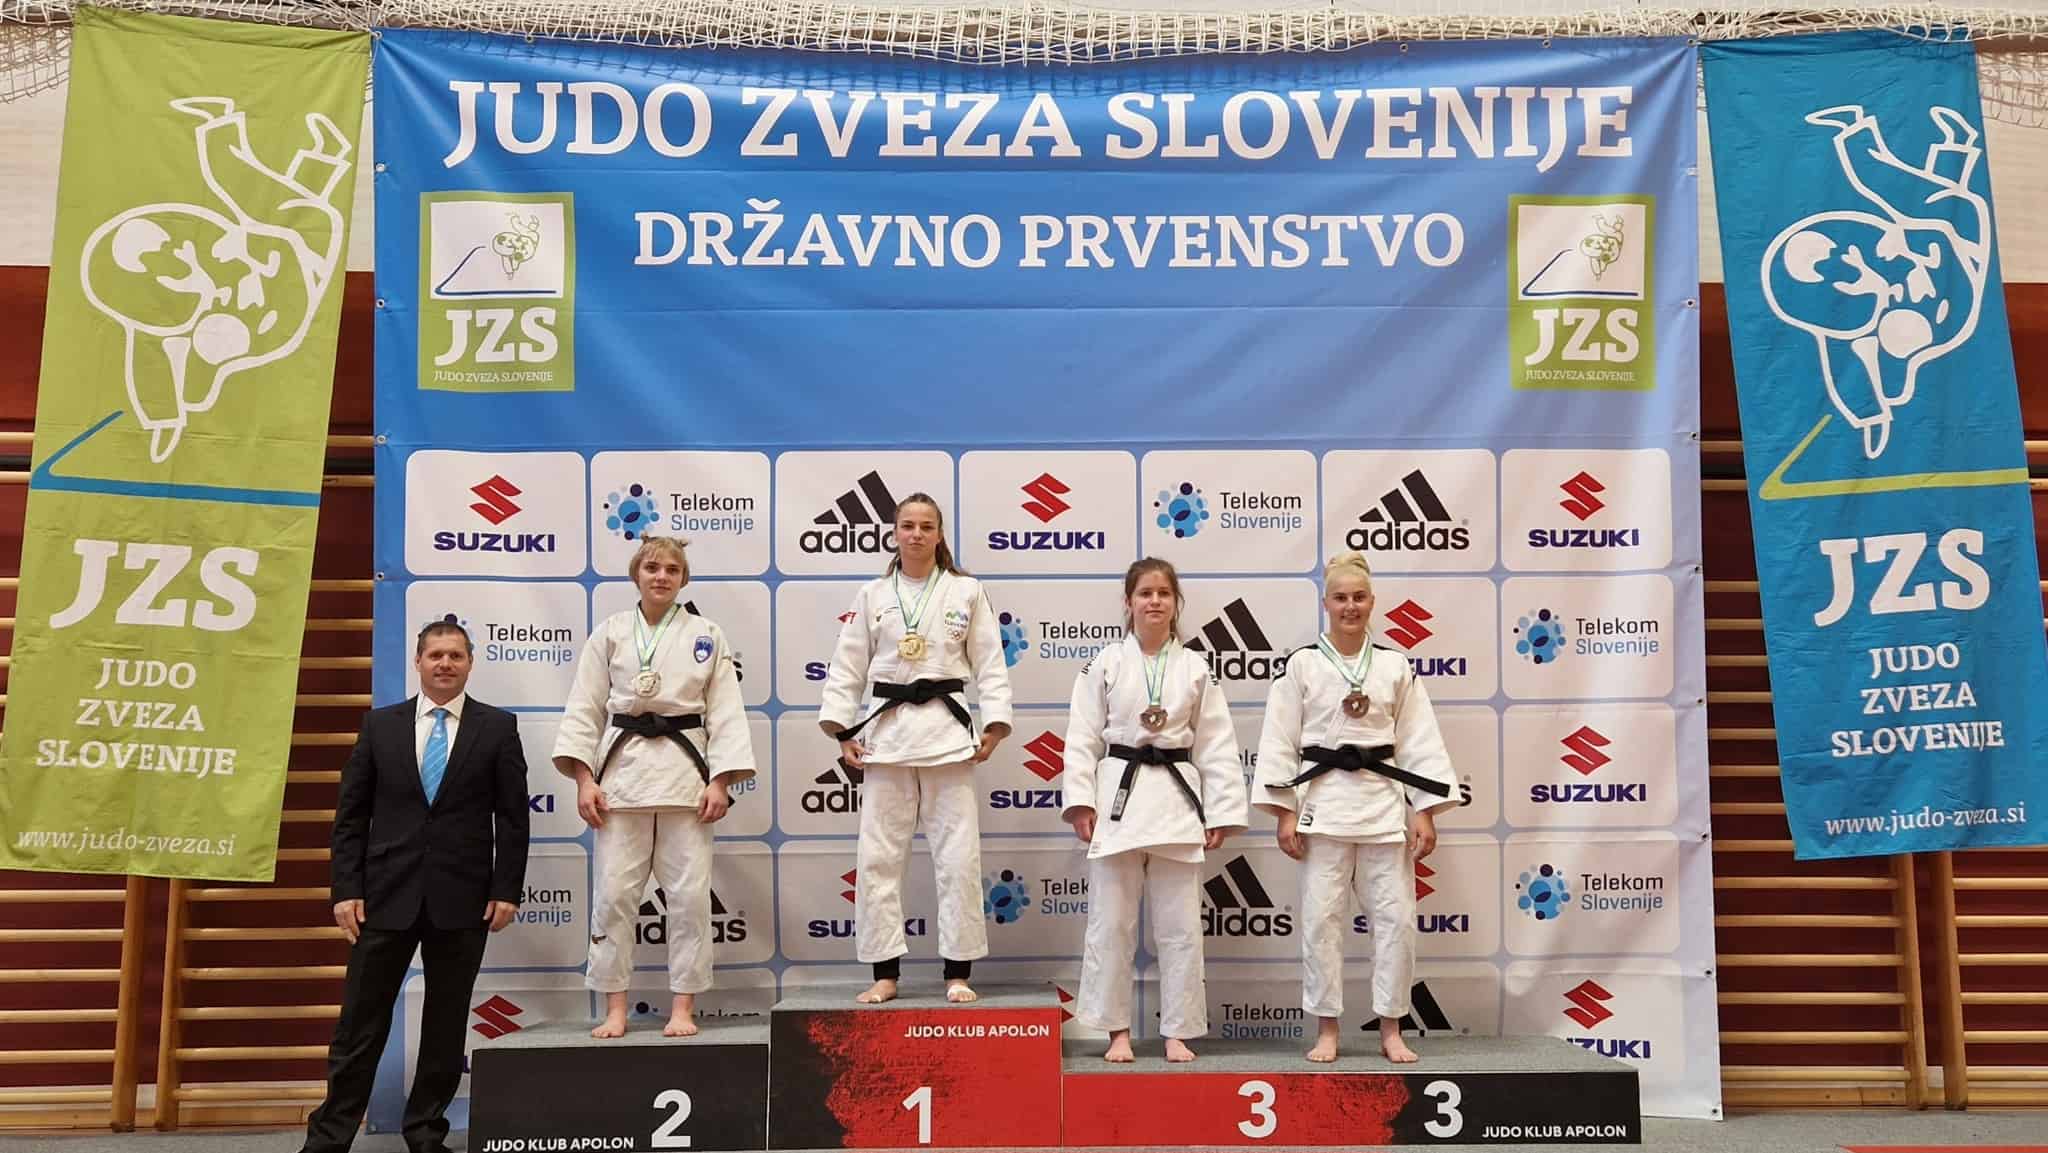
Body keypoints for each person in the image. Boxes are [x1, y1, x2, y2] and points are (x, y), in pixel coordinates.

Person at [300, 621, 529, 1153]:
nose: (445, 664)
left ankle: (425, 1133)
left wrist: (507, 889)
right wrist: (345, 889)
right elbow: (350, 817)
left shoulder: (497, 728)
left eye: (455, 655)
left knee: (446, 1025)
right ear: (418, 662)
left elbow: (513, 819)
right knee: (359, 1025)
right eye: (435, 655)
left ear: (470, 663)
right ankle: (328, 1139)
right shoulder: (380, 726)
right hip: (383, 898)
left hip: (464, 900)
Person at [1256, 551, 1459, 1064]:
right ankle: (1327, 1028)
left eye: (1359, 597)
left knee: (1396, 921)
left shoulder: (1394, 666)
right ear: (1325, 603)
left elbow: (1418, 741)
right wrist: (1284, 810)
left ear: (1372, 602)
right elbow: (1280, 740)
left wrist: (1424, 809)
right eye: (1341, 598)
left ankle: (1391, 1026)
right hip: (1322, 805)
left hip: (1383, 806)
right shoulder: (1302, 665)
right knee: (1321, 922)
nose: (1350, 606)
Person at [555, 535, 755, 1039]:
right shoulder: (610, 633)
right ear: (636, 574)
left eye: (671, 569)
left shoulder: (706, 634)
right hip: (621, 780)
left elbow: (726, 713)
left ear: (683, 578)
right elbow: (584, 708)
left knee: (689, 900)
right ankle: (615, 1008)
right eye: (651, 567)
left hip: (686, 780)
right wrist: (584, 779)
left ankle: (683, 1007)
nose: (661, 576)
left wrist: (720, 780)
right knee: (613, 898)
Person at [820, 493, 1012, 1004]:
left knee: (958, 859)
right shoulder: (874, 594)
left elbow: (990, 662)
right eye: (908, 525)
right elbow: (847, 665)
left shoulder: (966, 591)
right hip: (887, 736)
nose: (917, 534)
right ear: (895, 532)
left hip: (948, 737)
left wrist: (994, 725)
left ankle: (958, 972)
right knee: (878, 859)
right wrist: (841, 730)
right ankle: (884, 972)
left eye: (927, 526)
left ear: (939, 534)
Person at [1061, 558, 1246, 1063]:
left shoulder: (1195, 667)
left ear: (1175, 603)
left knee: (1181, 927)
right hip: (1118, 799)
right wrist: (1080, 802)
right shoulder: (1104, 663)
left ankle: (1177, 1030)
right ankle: (1116, 1030)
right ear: (1129, 602)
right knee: (1110, 924)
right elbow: (1081, 738)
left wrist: (1220, 812)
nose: (1155, 601)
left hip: (1176, 801)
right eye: (1145, 593)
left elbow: (1216, 744)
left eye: (1164, 593)